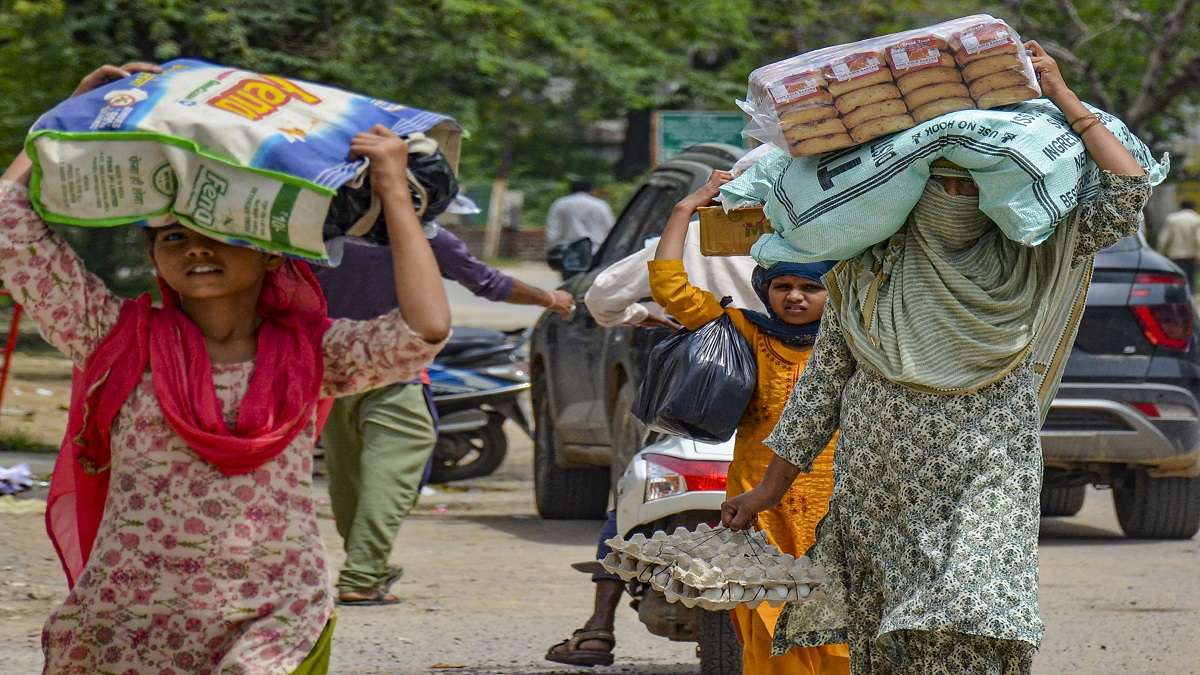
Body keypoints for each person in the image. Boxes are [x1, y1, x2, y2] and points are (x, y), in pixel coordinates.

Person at [1, 63, 450, 674]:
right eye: (172, 238)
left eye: (216, 233)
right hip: (125, 627)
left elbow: (424, 329)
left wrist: (394, 188)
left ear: (269, 252)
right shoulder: (115, 338)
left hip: (272, 621)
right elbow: (13, 233)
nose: (195, 250)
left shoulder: (315, 355)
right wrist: (67, 125)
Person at [721, 42, 1150, 675]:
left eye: (970, 182)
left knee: (976, 608)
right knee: (889, 632)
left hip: (989, 466)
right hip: (879, 483)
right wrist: (767, 490)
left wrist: (1063, 97)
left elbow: (1123, 195)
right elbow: (820, 391)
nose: (956, 195)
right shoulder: (871, 271)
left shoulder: (1033, 249)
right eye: (941, 182)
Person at [545, 219, 762, 667]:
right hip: (805, 393)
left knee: (638, 486)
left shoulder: (697, 236)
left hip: (706, 397)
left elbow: (602, 298)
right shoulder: (842, 225)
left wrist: (642, 314)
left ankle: (599, 626)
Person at [315, 228, 573, 606]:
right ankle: (363, 573)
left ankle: (366, 565)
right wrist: (550, 297)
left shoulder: (318, 226)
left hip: (330, 364)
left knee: (347, 473)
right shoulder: (422, 235)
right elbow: (487, 282)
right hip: (395, 366)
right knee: (391, 472)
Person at [544, 179, 615, 257]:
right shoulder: (600, 205)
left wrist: (551, 249)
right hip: (595, 251)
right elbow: (610, 227)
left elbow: (553, 231)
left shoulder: (560, 204)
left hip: (567, 251)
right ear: (592, 190)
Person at [1158, 199, 1200, 284]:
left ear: (1181, 207)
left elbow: (1163, 239)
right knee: (1190, 278)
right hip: (1191, 255)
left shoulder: (1172, 219)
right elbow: (1198, 239)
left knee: (1177, 278)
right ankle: (1190, 295)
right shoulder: (1196, 219)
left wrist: (1161, 253)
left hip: (1175, 255)